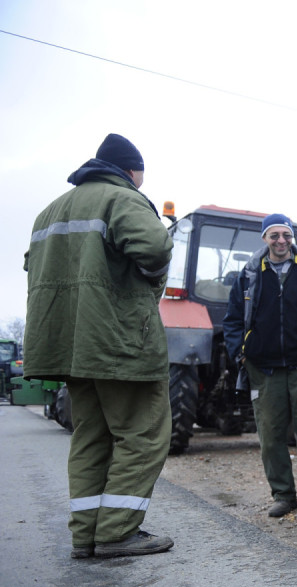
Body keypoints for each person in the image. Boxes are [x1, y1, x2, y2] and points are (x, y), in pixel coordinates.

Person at [23, 133, 175, 559]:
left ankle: (85, 535)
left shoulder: (48, 211)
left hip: (69, 345)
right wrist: (147, 281)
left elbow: (33, 268)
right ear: (130, 171)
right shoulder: (121, 198)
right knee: (142, 435)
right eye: (139, 177)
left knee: (90, 436)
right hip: (118, 341)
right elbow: (155, 247)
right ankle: (116, 533)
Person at [223, 214, 297, 518]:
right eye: (274, 236)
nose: (281, 241)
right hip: (263, 366)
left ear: (292, 237)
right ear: (264, 239)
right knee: (270, 433)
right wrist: (241, 354)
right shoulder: (248, 275)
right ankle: (283, 495)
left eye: (286, 235)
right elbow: (232, 320)